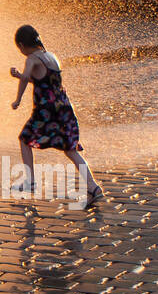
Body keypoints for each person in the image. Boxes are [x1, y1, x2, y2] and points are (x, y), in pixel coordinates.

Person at [9, 25, 102, 208]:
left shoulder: (32, 59)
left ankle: (30, 181)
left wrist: (18, 99)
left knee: (24, 139)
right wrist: (19, 76)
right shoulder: (50, 56)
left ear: (21, 44)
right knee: (70, 149)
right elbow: (42, 79)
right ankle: (93, 186)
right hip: (63, 107)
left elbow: (28, 77)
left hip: (47, 110)